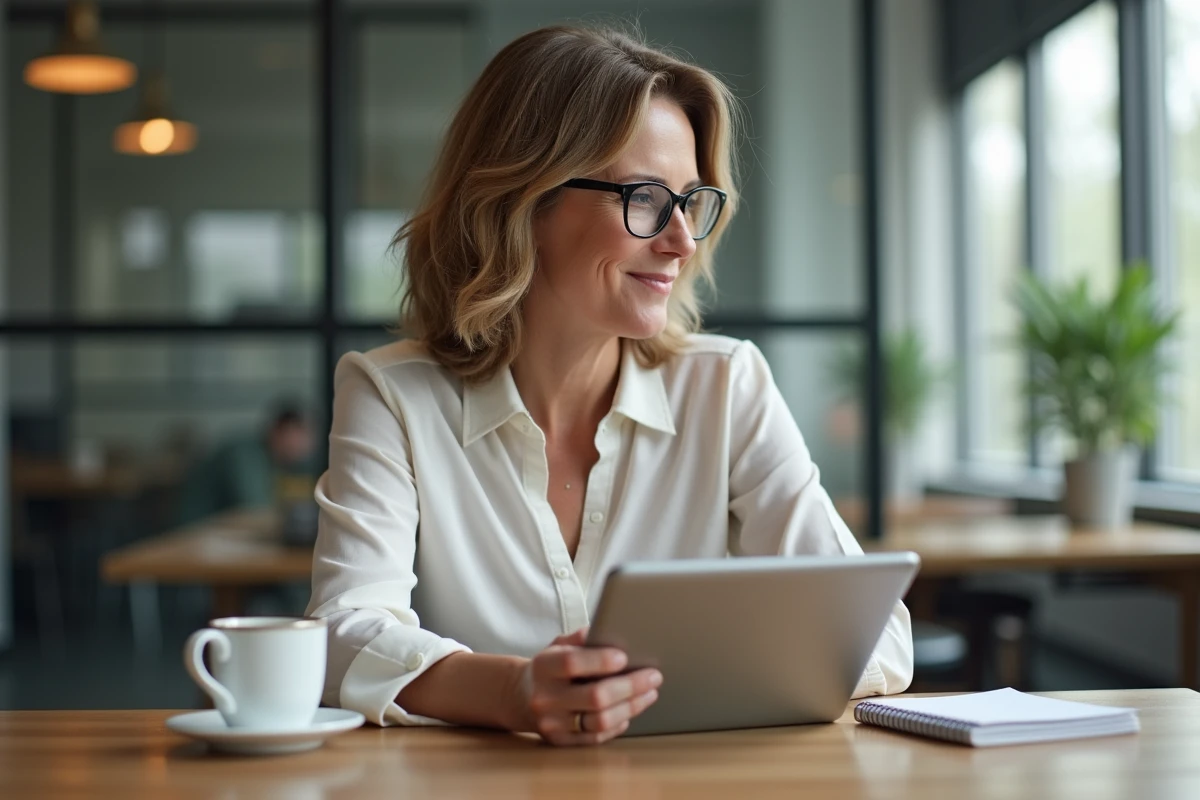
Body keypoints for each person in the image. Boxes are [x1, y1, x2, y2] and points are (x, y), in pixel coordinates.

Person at [306, 24, 912, 746]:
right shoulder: (391, 394)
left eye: (690, 201)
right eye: (646, 198)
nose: (682, 241)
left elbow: (876, 639)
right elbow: (341, 637)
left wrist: (668, 691)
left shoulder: (726, 385)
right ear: (524, 202)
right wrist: (511, 690)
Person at [176, 402, 316, 525]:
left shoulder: (276, 461)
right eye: (301, 433)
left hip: (215, 532)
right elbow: (253, 507)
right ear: (278, 430)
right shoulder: (244, 456)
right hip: (191, 531)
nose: (306, 443)